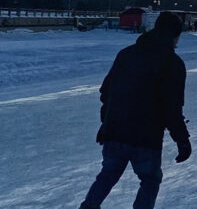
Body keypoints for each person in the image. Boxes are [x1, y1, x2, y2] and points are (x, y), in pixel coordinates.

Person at [80, 11, 191, 209]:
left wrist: (105, 124)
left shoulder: (127, 54)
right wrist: (182, 140)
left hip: (115, 131)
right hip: (145, 139)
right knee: (150, 180)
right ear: (175, 35)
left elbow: (107, 92)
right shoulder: (173, 64)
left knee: (107, 175)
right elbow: (171, 108)